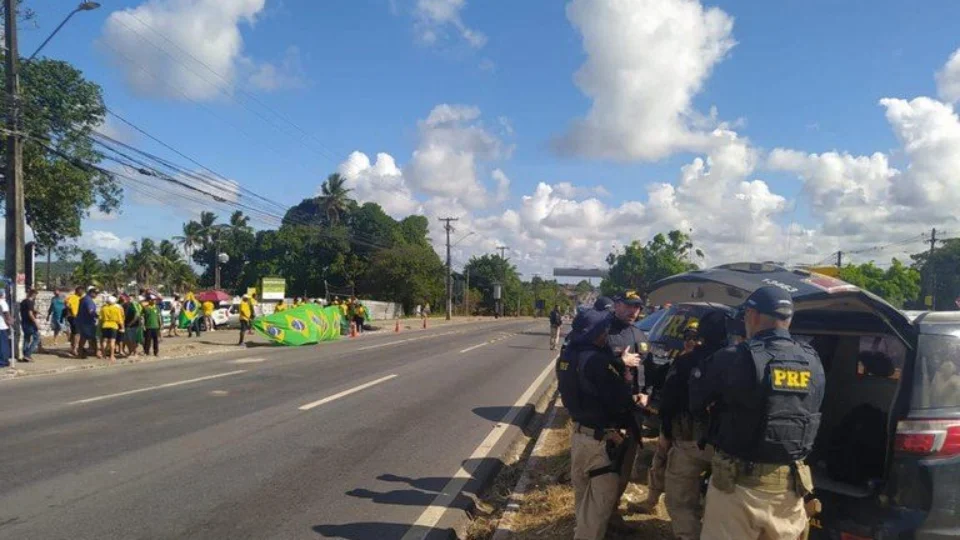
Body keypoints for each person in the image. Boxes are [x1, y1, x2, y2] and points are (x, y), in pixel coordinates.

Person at [690, 286, 825, 540]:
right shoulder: (813, 361)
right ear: (788, 319)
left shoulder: (732, 358)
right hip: (789, 489)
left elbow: (697, 403)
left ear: (751, 315)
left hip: (738, 488)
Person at [570, 308, 644, 540]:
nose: (606, 334)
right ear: (597, 333)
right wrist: (622, 369)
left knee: (583, 501)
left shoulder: (569, 354)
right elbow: (620, 400)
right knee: (598, 506)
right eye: (603, 330)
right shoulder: (601, 363)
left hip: (580, 433)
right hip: (601, 440)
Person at [658, 313, 728, 539]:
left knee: (679, 500)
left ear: (702, 335)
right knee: (719, 502)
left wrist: (666, 433)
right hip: (725, 444)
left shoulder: (686, 361)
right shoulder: (737, 361)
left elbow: (668, 402)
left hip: (689, 439)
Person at [99, 295, 124, 363]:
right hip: (113, 325)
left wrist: (100, 327)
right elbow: (120, 320)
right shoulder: (116, 309)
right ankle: (112, 356)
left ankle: (104, 355)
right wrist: (122, 327)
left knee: (104, 341)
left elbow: (100, 319)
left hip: (105, 325)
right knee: (112, 342)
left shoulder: (103, 308)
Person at [77, 287, 100, 359]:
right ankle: (96, 352)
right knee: (92, 338)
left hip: (83, 321)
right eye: (95, 293)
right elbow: (91, 311)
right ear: (91, 293)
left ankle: (80, 352)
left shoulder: (84, 299)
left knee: (83, 337)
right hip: (88, 322)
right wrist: (98, 316)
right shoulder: (88, 300)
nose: (96, 295)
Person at [19, 288, 39, 362]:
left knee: (26, 339)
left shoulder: (23, 302)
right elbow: (30, 314)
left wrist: (35, 311)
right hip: (30, 323)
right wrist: (36, 323)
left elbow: (25, 311)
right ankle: (28, 354)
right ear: (33, 294)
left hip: (24, 322)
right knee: (37, 338)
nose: (36, 297)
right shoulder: (30, 302)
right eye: (36, 295)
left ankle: (25, 355)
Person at [66, 286, 83, 356]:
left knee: (74, 333)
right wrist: (72, 312)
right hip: (74, 317)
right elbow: (67, 305)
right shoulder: (72, 297)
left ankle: (72, 347)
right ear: (77, 291)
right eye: (81, 291)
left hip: (76, 317)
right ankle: (75, 349)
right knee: (77, 333)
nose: (82, 292)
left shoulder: (80, 298)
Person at [0, 289, 12, 367]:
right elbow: (6, 313)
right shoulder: (2, 302)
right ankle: (3, 361)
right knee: (3, 344)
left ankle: (3, 360)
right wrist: (9, 322)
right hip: (2, 326)